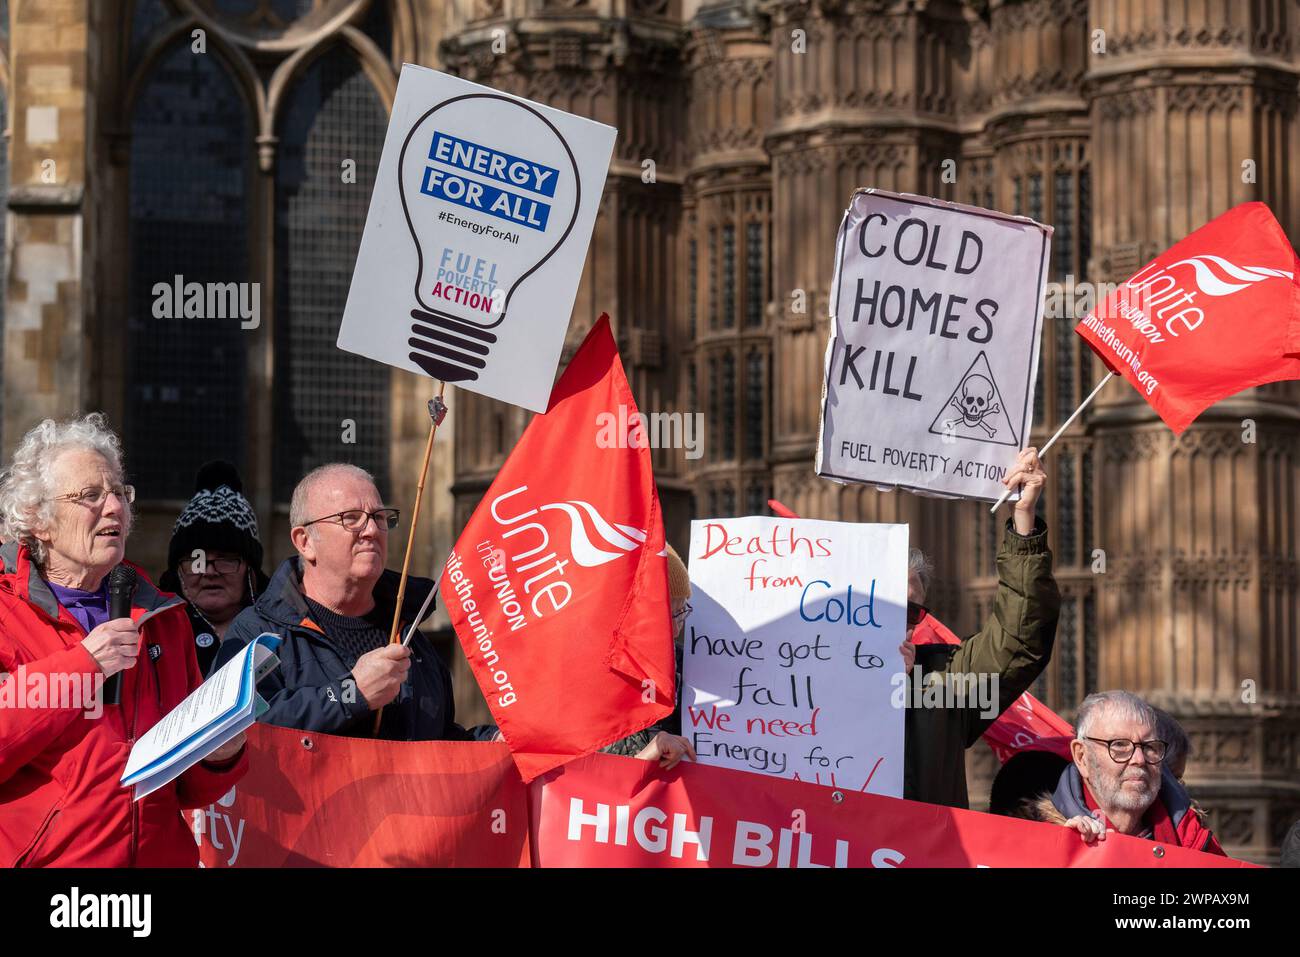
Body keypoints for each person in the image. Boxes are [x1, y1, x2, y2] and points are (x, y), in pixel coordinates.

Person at [0, 414, 247, 867]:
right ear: (38, 520)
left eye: (119, 493)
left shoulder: (163, 616)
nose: (114, 507)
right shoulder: (5, 613)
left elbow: (190, 791)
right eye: (90, 496)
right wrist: (82, 667)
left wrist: (220, 755)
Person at [212, 462, 495, 741]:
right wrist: (351, 694)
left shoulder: (410, 634)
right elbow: (238, 735)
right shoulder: (256, 635)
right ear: (305, 541)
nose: (371, 530)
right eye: (351, 518)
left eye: (379, 518)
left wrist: (494, 744)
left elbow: (439, 745)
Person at [898, 446, 1061, 808]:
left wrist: (1023, 518)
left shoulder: (939, 685)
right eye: (881, 607)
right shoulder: (796, 682)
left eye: (910, 612)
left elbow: (1020, 640)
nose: (898, 624)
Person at [1020, 690, 1224, 854]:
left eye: (1150, 747)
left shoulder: (1192, 837)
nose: (1139, 760)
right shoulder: (1039, 841)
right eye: (1119, 745)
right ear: (1082, 757)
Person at [158, 460, 269, 675]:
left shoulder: (280, 629)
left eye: (225, 559)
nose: (209, 572)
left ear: (250, 569)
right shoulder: (153, 631)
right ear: (178, 571)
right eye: (196, 560)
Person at [602, 544, 695, 770]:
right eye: (667, 616)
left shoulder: (685, 663)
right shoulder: (598, 673)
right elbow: (590, 776)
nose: (676, 630)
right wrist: (646, 755)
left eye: (682, 612)